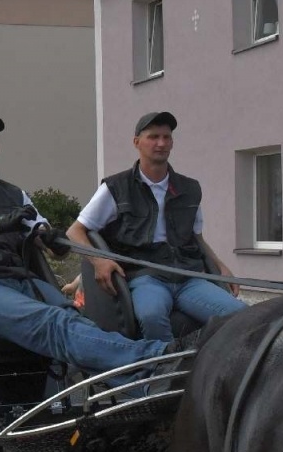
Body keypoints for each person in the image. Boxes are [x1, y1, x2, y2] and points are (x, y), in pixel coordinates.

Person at [0, 108, 170, 372]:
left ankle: (139, 391)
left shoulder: (14, 194)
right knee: (53, 322)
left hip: (22, 281)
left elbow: (53, 251)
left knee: (76, 321)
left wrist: (52, 239)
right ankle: (158, 358)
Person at [67, 111, 245, 342]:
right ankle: (163, 375)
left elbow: (197, 238)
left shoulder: (189, 189)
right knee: (151, 316)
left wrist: (221, 268)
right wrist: (98, 261)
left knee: (240, 316)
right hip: (145, 277)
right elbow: (75, 231)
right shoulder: (116, 187)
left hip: (187, 277)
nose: (161, 143)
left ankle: (217, 372)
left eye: (166, 137)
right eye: (153, 137)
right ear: (137, 142)